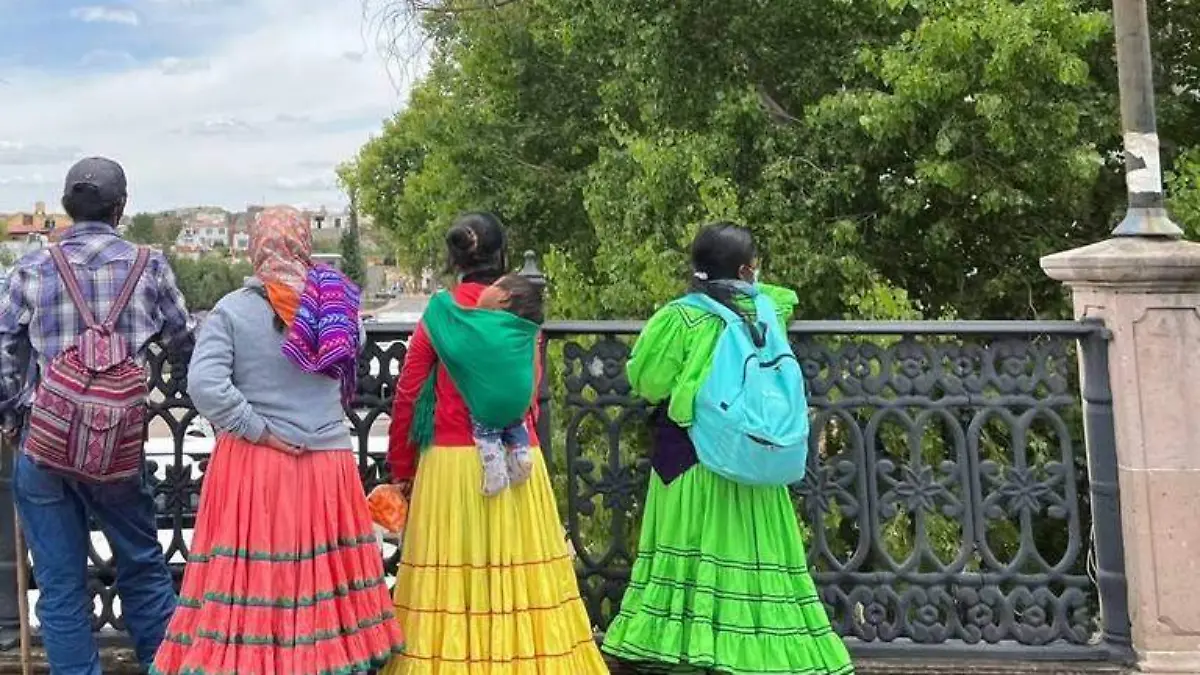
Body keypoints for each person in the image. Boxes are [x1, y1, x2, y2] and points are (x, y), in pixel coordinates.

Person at [151, 206, 405, 675]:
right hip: (326, 465)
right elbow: (351, 359)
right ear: (304, 245)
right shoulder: (337, 307)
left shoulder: (231, 311)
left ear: (256, 247)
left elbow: (205, 386)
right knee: (319, 582)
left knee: (257, 581)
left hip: (255, 466)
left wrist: (257, 428)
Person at [602, 222, 855, 675]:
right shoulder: (765, 312)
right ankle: (757, 651)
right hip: (755, 458)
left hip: (693, 460)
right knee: (756, 558)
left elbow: (647, 380)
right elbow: (785, 295)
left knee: (691, 553)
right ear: (745, 271)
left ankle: (685, 648)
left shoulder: (680, 319)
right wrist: (750, 285)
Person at [382, 212, 607, 674]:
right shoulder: (521, 312)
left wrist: (402, 468)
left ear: (454, 260)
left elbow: (408, 394)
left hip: (449, 466)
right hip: (516, 462)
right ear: (503, 256)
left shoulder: (439, 314)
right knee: (519, 575)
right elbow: (531, 391)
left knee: (452, 581)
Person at [0, 157, 195, 675]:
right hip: (117, 446)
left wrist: (13, 414)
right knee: (143, 566)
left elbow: (3, 352)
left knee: (60, 584)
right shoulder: (149, 266)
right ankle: (162, 665)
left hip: (44, 443)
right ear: (120, 208)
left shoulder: (32, 268)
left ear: (67, 207)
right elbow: (184, 341)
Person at [469, 273, 545, 495]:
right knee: (516, 426)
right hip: (518, 402)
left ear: (504, 297)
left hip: (490, 403)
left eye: (493, 285)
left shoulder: (486, 328)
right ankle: (521, 453)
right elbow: (534, 371)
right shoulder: (525, 335)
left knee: (486, 433)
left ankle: (495, 470)